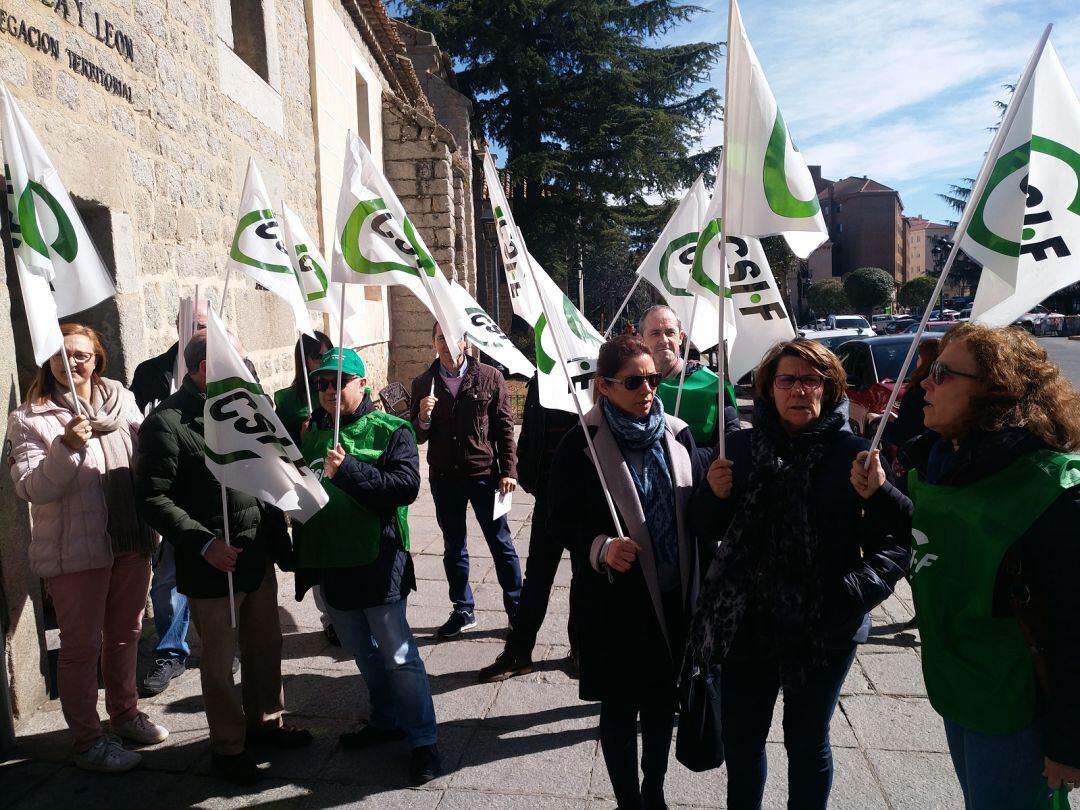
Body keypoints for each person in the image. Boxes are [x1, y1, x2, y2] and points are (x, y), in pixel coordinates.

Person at [688, 338, 911, 810]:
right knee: (744, 745)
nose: (798, 390)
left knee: (807, 742)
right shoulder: (739, 450)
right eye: (786, 380)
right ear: (769, 389)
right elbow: (704, 529)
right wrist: (712, 494)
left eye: (811, 380)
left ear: (829, 390)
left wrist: (847, 593)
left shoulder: (858, 455)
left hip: (823, 628)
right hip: (745, 624)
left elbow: (895, 544)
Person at [904, 324, 1080, 808]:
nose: (924, 382)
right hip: (957, 689)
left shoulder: (1053, 492)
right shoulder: (942, 464)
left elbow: (1074, 625)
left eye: (942, 372)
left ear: (995, 392)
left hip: (1015, 707)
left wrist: (1069, 742)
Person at [135, 332, 311, 786]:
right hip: (212, 563)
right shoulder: (167, 422)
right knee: (218, 660)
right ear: (200, 369)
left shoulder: (247, 407)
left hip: (255, 555)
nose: (242, 367)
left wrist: (282, 540)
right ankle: (228, 746)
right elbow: (153, 497)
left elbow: (270, 473)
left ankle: (267, 723)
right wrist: (203, 542)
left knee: (265, 646)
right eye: (232, 360)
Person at [548, 335, 703, 810]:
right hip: (612, 604)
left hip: (670, 602)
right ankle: (627, 801)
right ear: (604, 386)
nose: (647, 389)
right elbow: (558, 520)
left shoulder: (677, 433)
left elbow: (696, 513)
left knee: (659, 708)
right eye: (634, 382)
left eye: (652, 378)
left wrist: (715, 492)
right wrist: (601, 546)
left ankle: (653, 790)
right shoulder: (582, 442)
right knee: (618, 710)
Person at [8, 324, 168, 772]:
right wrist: (66, 447)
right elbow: (31, 488)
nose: (71, 362)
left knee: (125, 636)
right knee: (80, 648)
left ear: (97, 358)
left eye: (80, 354)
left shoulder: (122, 400)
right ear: (50, 361)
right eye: (61, 355)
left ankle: (125, 714)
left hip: (130, 538)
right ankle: (86, 739)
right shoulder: (29, 418)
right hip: (74, 551)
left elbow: (147, 456)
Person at [292, 347, 441, 784]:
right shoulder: (309, 435)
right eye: (321, 383)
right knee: (362, 652)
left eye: (339, 381)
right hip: (331, 564)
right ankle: (384, 719)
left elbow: (404, 488)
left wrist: (350, 469)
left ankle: (424, 741)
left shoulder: (393, 430)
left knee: (398, 656)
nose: (329, 390)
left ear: (362, 384)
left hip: (379, 562)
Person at [409, 322, 521, 638]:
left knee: (501, 543)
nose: (446, 344)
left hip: (485, 476)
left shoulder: (489, 376)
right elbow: (416, 436)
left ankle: (517, 608)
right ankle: (463, 609)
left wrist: (509, 472)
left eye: (452, 337)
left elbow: (504, 428)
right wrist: (423, 416)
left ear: (465, 340)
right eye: (440, 337)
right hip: (444, 479)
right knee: (453, 546)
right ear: (433, 341)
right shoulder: (424, 383)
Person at [476, 373, 579, 682]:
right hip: (549, 493)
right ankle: (519, 652)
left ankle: (581, 650)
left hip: (586, 493)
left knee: (584, 577)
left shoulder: (589, 371)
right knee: (536, 578)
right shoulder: (541, 378)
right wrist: (525, 470)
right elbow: (532, 430)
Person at [131, 299, 209, 698]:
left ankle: (219, 645)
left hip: (216, 494)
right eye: (192, 323)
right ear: (177, 326)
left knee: (221, 574)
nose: (198, 329)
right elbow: (137, 423)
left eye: (204, 322)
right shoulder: (151, 371)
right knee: (168, 581)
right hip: (174, 489)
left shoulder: (230, 367)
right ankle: (171, 651)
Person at [273, 330, 337, 645]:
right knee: (313, 551)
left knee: (336, 545)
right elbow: (278, 444)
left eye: (328, 355)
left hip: (335, 480)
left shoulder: (336, 389)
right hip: (303, 481)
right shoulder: (286, 399)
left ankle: (343, 609)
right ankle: (328, 617)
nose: (323, 363)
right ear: (304, 359)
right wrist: (299, 436)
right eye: (317, 356)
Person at [637, 305, 740, 449]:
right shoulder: (629, 384)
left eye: (670, 332)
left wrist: (688, 460)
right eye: (655, 333)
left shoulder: (713, 386)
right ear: (640, 339)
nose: (664, 340)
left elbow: (731, 444)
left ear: (680, 337)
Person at [884, 338, 941, 452]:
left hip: (918, 455)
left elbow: (905, 433)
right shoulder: (940, 385)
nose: (917, 362)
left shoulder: (918, 389)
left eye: (919, 358)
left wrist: (877, 423)